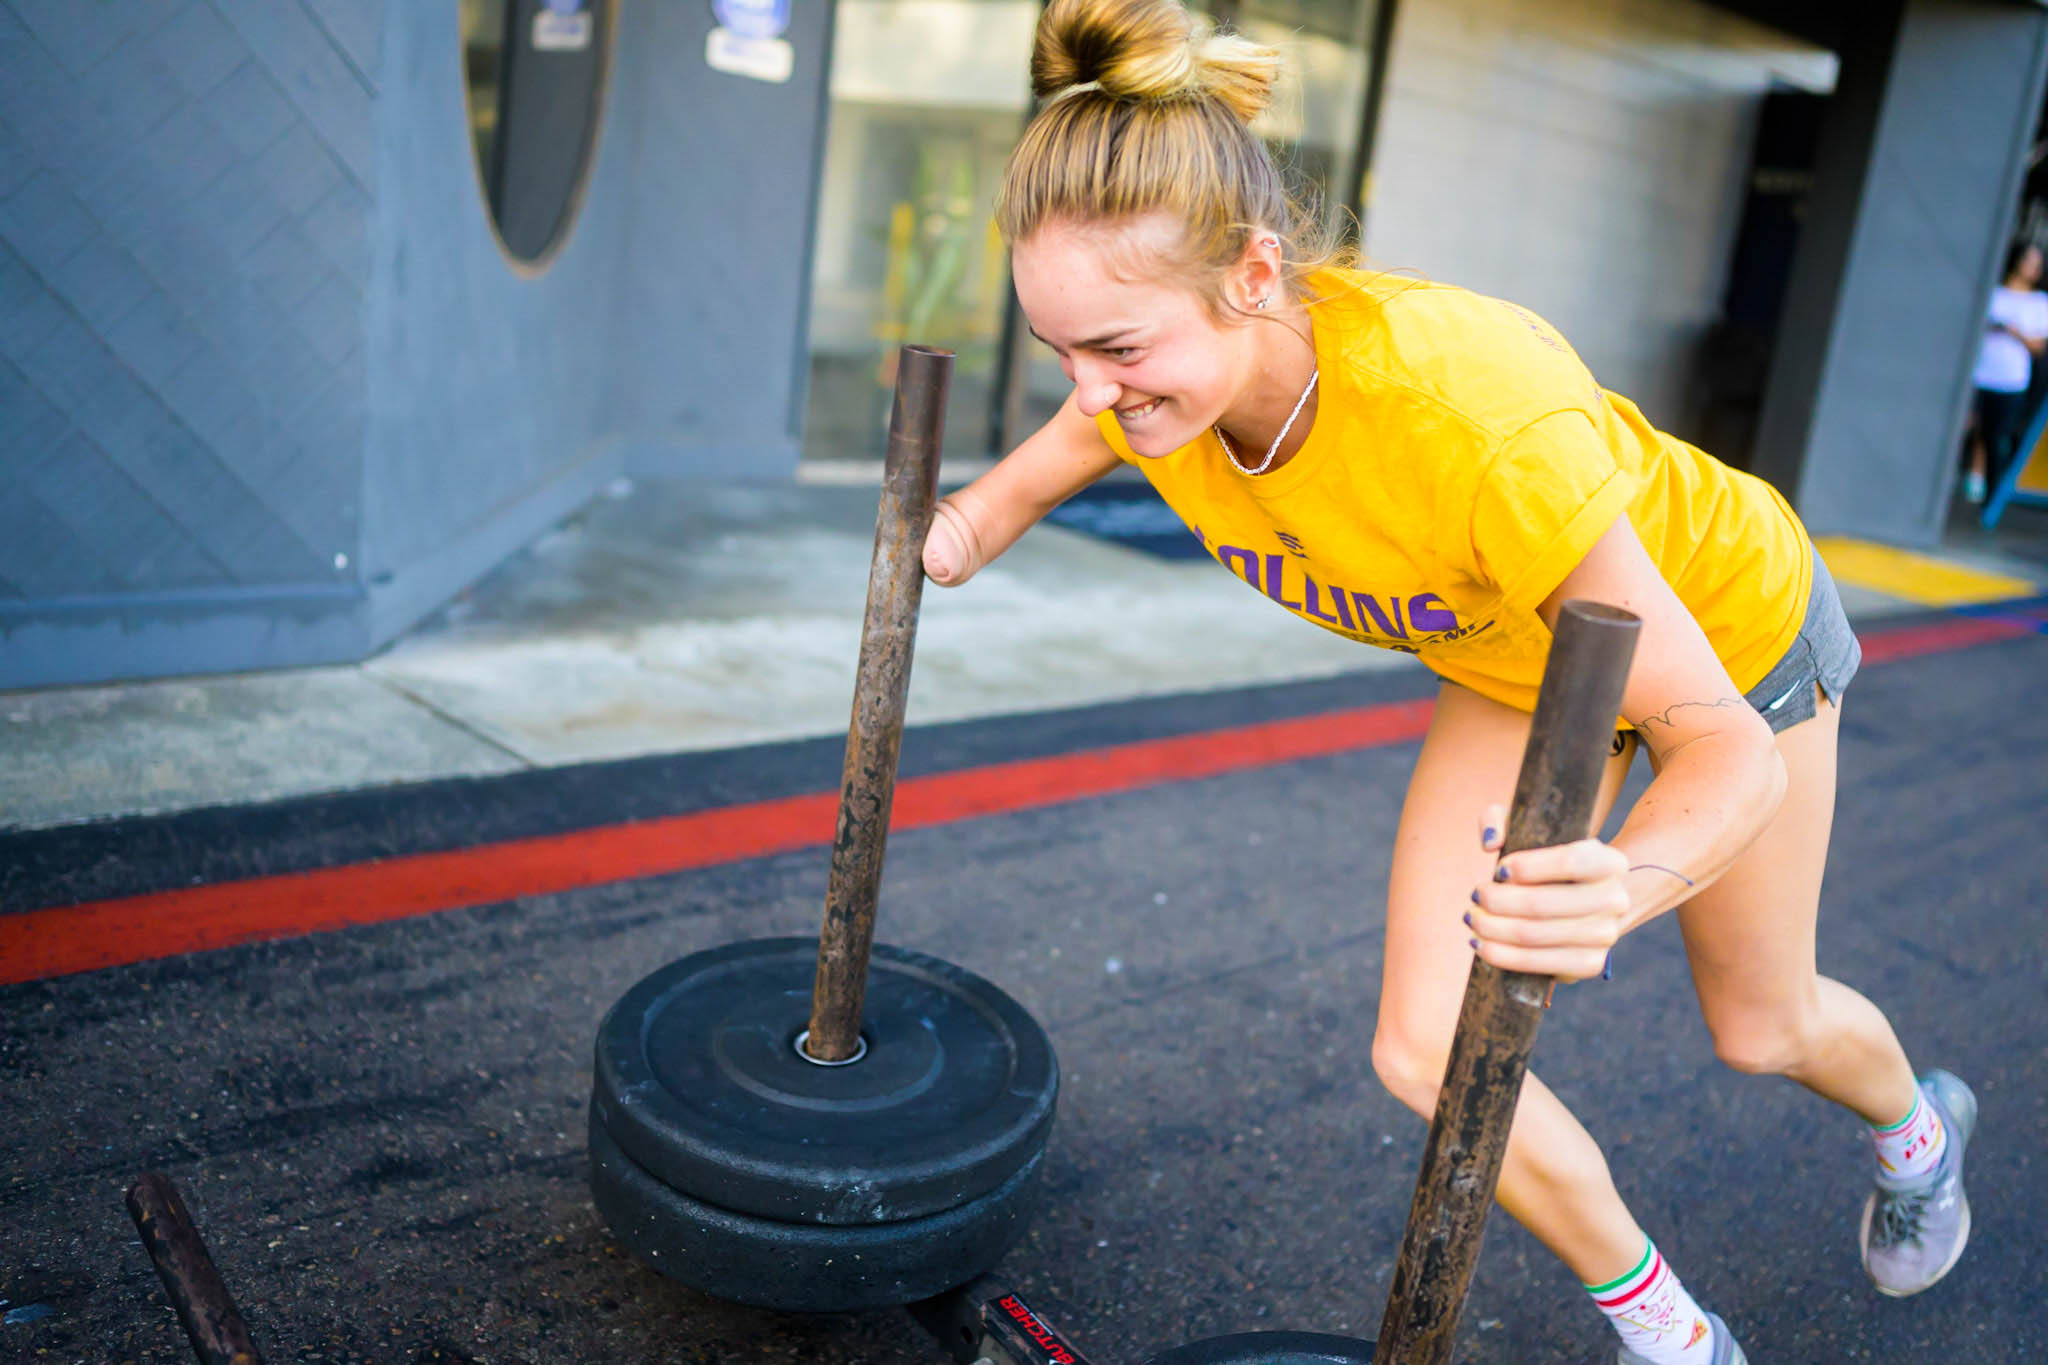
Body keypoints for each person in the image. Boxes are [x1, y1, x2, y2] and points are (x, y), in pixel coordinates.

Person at [919, 3, 1977, 1361]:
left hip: (1728, 640)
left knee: (1761, 1026)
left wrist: (1627, 884)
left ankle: (1919, 1133)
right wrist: (958, 530)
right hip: (1523, 656)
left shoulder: (1467, 420)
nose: (1091, 388)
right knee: (1429, 1047)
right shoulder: (1161, 388)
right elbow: (1070, 439)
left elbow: (1726, 749)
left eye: (1116, 349)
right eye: (1062, 347)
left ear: (1254, 273)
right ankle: (1677, 1337)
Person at [1964, 240, 2048, 502]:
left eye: (2037, 265)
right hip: (1979, 373)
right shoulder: (1994, 293)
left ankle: (1992, 491)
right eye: (2029, 262)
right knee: (1973, 428)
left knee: (1995, 434)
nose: (2033, 269)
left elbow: (2038, 346)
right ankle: (1973, 478)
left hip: (2011, 379)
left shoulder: (2039, 302)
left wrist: (2014, 331)